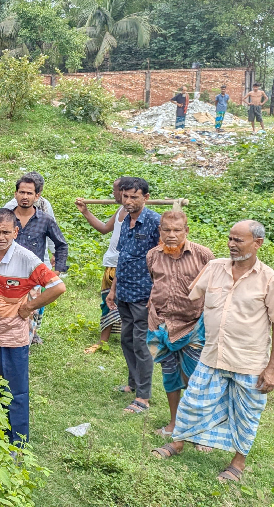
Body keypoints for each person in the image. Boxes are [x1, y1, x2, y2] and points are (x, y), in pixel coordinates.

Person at [153, 221, 274, 485]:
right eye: (230, 239)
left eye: (238, 240)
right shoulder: (214, 267)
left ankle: (237, 463)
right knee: (194, 401)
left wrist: (271, 368)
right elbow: (192, 296)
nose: (231, 244)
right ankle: (178, 443)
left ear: (258, 244)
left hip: (249, 361)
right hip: (212, 354)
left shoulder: (269, 278)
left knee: (247, 413)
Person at [0, 208, 66, 446]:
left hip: (14, 335)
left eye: (6, 232)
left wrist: (29, 308)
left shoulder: (27, 258)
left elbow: (58, 287)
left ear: (15, 232)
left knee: (15, 390)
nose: (1, 237)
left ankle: (18, 443)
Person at [145, 211, 215, 438]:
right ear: (160, 231)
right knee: (169, 374)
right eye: (166, 230)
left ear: (186, 230)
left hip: (193, 326)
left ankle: (198, 427)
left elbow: (214, 290)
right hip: (160, 325)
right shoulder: (153, 255)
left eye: (177, 230)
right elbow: (155, 283)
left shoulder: (204, 255)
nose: (171, 235)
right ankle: (174, 422)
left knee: (195, 378)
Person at [106, 176, 160, 413]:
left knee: (141, 343)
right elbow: (123, 258)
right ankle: (133, 383)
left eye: (133, 197)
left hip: (144, 294)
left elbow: (163, 262)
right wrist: (113, 289)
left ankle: (144, 397)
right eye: (125, 196)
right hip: (124, 291)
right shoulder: (126, 219)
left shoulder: (155, 222)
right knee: (127, 339)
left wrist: (156, 293)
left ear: (145, 198)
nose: (128, 201)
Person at [9, 173, 68, 344]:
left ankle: (21, 352)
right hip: (8, 276)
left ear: (37, 196)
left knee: (29, 316)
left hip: (33, 278)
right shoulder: (6, 217)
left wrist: (55, 272)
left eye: (29, 193)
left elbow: (61, 245)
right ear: (16, 194)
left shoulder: (45, 220)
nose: (25, 197)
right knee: (6, 316)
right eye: (21, 192)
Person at [75, 178, 127, 354]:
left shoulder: (132, 214)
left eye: (115, 190)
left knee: (111, 301)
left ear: (124, 192)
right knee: (110, 299)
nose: (113, 194)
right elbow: (105, 228)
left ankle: (103, 341)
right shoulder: (121, 209)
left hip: (120, 265)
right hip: (111, 263)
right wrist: (85, 212)